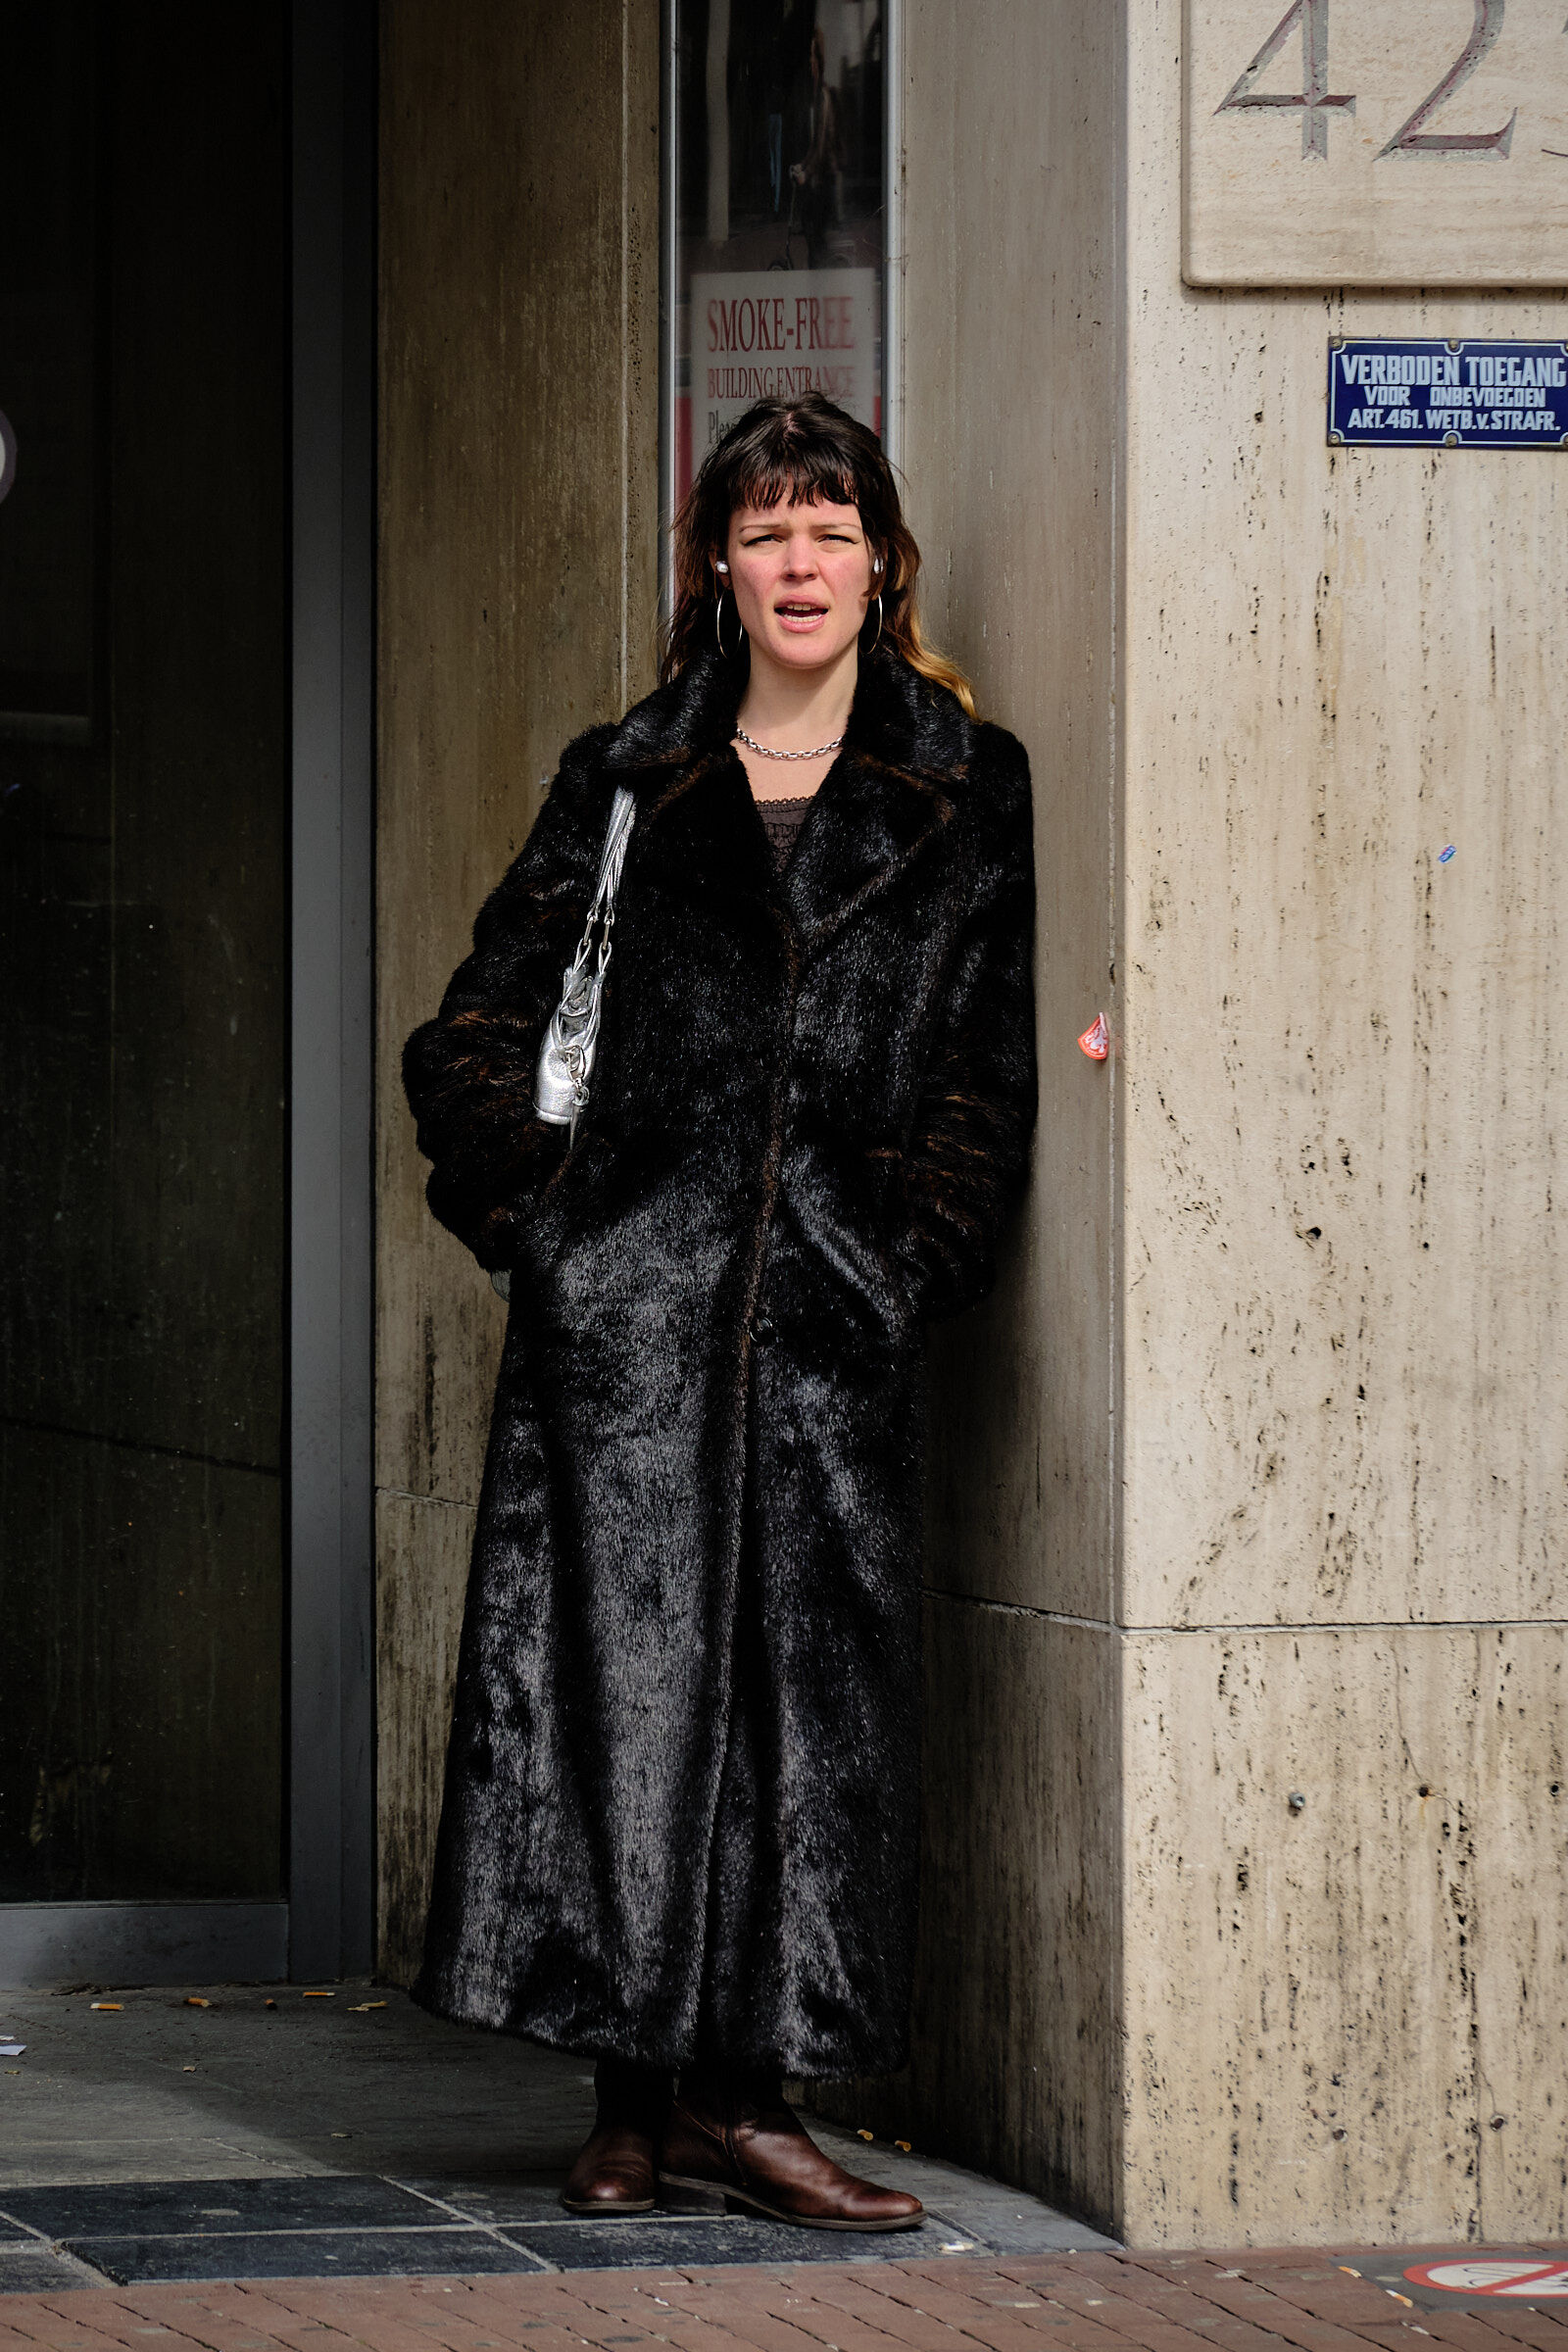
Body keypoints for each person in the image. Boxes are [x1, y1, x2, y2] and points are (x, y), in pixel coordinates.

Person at [403, 394, 1038, 2230]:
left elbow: (984, 1072)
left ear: (882, 560)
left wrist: (904, 1268)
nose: (801, 564)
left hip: (832, 1328)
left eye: (831, 530)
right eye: (767, 532)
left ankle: (752, 2102)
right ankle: (633, 2101)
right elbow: (479, 1021)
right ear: (717, 566)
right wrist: (546, 1230)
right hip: (625, 1333)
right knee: (623, 1703)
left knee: (799, 1718)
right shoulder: (629, 774)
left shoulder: (962, 783)